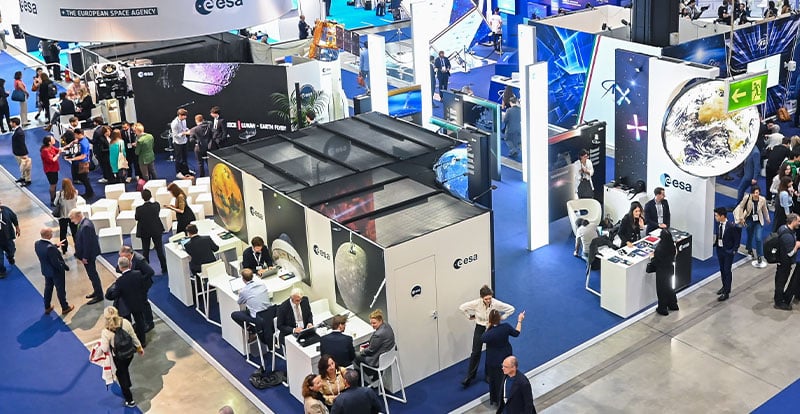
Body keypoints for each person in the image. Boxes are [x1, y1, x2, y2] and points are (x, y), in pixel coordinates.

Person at [458, 285, 515, 388]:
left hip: (491, 328)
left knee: (490, 352)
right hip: (480, 327)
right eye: (486, 299)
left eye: (490, 298)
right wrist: (469, 316)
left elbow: (511, 309)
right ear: (481, 298)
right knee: (475, 352)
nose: (489, 300)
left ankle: (488, 375)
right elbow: (462, 308)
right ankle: (470, 376)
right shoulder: (476, 304)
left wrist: (501, 318)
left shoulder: (496, 303)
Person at [99, 306, 144, 408]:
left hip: (118, 357)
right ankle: (127, 383)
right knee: (125, 370)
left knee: (121, 374)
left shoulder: (106, 332)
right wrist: (139, 348)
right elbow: (133, 336)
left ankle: (130, 400)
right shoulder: (126, 323)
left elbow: (105, 349)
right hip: (129, 354)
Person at [482, 309, 524, 407]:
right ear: (500, 318)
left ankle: (495, 399)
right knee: (505, 379)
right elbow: (517, 333)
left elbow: (482, 338)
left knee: (494, 380)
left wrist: (489, 325)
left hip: (493, 360)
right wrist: (519, 320)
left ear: (490, 320)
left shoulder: (489, 334)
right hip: (505, 357)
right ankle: (506, 398)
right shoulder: (506, 327)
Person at [109, 256, 149, 347]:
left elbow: (115, 294)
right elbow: (143, 286)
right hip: (138, 302)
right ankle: (142, 342)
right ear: (130, 264)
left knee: (128, 324)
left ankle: (130, 342)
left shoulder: (120, 281)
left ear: (120, 267)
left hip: (126, 306)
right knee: (140, 321)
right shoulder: (138, 274)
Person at [229, 268, 274, 346]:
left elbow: (239, 302)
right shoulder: (262, 284)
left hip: (258, 317)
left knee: (234, 315)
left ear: (243, 279)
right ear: (252, 276)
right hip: (269, 313)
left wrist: (241, 293)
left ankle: (252, 330)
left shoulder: (244, 291)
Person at [35, 227, 74, 315]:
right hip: (55, 272)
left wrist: (55, 245)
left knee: (48, 288)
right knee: (60, 290)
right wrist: (63, 268)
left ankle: (47, 307)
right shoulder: (50, 248)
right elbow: (56, 262)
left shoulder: (37, 244)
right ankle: (65, 307)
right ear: (48, 235)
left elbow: (46, 250)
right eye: (51, 233)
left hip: (46, 271)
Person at [69, 209, 104, 303]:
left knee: (93, 275)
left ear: (78, 216)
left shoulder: (85, 226)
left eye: (72, 218)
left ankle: (99, 295)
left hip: (88, 256)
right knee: (91, 275)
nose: (72, 221)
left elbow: (87, 244)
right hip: (88, 255)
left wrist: (85, 257)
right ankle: (97, 291)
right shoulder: (85, 223)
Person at [118, 245, 156, 331]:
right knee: (138, 303)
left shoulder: (139, 260)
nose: (121, 259)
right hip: (135, 285)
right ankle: (142, 321)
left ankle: (149, 322)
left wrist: (139, 281)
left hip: (143, 285)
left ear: (129, 255)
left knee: (143, 303)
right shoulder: (126, 260)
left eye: (122, 257)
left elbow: (150, 272)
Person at [734, 186, 770, 267]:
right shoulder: (747, 198)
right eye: (755, 192)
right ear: (752, 192)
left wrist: (767, 218)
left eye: (757, 192)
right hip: (749, 220)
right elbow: (741, 207)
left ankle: (759, 255)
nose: (756, 194)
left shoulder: (762, 199)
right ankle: (749, 248)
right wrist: (741, 217)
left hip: (758, 221)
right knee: (750, 235)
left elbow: (764, 209)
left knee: (758, 238)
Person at [353, 309, 395, 375]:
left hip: (378, 361)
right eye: (371, 323)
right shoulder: (386, 325)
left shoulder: (378, 335)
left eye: (374, 323)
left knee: (354, 355)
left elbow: (371, 350)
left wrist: (362, 351)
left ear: (380, 320)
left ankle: (370, 375)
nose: (372, 325)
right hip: (389, 356)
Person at [135, 189, 168, 273]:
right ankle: (164, 267)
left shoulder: (139, 209)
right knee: (159, 249)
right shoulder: (156, 205)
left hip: (144, 231)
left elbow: (137, 218)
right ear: (151, 196)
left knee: (145, 251)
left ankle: (146, 269)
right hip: (156, 230)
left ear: (142, 198)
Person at [648, 229, 678, 316]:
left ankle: (662, 308)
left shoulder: (661, 248)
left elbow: (656, 261)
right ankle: (673, 304)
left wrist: (651, 258)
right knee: (670, 288)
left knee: (662, 290)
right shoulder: (672, 245)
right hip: (670, 269)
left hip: (662, 271)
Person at [773, 214, 800, 311]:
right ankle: (779, 303)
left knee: (780, 282)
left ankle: (779, 298)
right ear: (793, 221)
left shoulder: (782, 228)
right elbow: (790, 253)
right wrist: (796, 246)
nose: (799, 223)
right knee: (781, 282)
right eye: (798, 221)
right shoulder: (787, 236)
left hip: (782, 262)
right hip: (784, 263)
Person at [714, 207, 741, 302]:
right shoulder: (719, 224)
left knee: (727, 270)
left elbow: (737, 240)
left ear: (722, 216)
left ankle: (727, 291)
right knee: (722, 269)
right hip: (720, 250)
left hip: (728, 252)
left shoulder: (731, 226)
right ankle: (724, 286)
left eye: (716, 216)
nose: (715, 217)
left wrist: (733, 250)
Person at [64, 128, 94, 199]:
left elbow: (83, 156)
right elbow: (74, 141)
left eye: (75, 134)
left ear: (79, 134)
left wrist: (71, 159)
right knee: (83, 178)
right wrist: (66, 147)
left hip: (83, 163)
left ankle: (89, 193)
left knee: (84, 179)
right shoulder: (83, 139)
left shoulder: (83, 144)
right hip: (81, 162)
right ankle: (89, 192)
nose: (74, 136)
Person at [56, 179, 79, 254]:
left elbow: (55, 203)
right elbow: (76, 201)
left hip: (63, 216)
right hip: (73, 216)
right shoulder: (75, 192)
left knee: (63, 233)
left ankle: (64, 249)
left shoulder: (59, 194)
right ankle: (78, 249)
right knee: (75, 233)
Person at [766, 137, 791, 204]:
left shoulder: (775, 147)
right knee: (776, 184)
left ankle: (768, 198)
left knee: (768, 182)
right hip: (776, 169)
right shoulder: (787, 150)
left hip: (768, 166)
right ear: (788, 143)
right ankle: (775, 199)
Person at [0, 200, 20, 277]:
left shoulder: (6, 210)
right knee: (0, 258)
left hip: (7, 238)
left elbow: (14, 218)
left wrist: (17, 228)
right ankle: (1, 271)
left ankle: (10, 257)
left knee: (11, 250)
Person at [170, 108, 192, 179]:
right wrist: (184, 133)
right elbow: (175, 135)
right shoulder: (174, 123)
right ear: (179, 115)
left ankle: (186, 171)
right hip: (178, 143)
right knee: (179, 158)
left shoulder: (184, 120)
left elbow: (185, 128)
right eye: (184, 116)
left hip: (184, 141)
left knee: (185, 157)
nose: (185, 117)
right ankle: (178, 172)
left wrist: (188, 130)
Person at [10, 117, 31, 187]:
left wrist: (24, 155)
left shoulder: (19, 133)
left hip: (22, 153)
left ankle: (28, 180)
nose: (10, 124)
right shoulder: (16, 130)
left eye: (11, 122)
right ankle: (23, 177)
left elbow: (22, 143)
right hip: (17, 152)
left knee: (26, 167)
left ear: (14, 123)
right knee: (21, 166)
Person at [40, 135, 61, 203]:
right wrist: (58, 155)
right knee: (53, 184)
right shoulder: (45, 151)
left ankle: (54, 197)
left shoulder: (51, 147)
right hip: (50, 170)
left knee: (54, 183)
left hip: (54, 169)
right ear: (49, 142)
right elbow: (52, 160)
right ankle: (52, 199)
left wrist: (69, 145)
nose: (54, 139)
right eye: (52, 139)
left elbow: (58, 150)